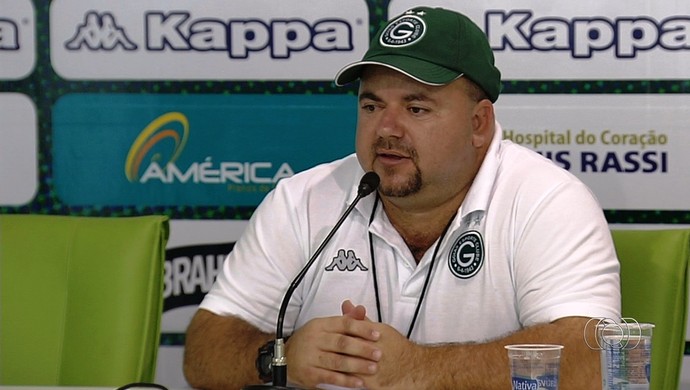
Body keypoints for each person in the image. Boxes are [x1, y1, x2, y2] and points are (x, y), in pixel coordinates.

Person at [183, 6, 620, 389]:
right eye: (371, 106)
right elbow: (204, 348)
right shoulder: (305, 199)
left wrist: (418, 369)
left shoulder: (547, 201)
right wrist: (280, 357)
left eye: (416, 108)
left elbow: (591, 362)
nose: (386, 129)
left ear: (479, 124)